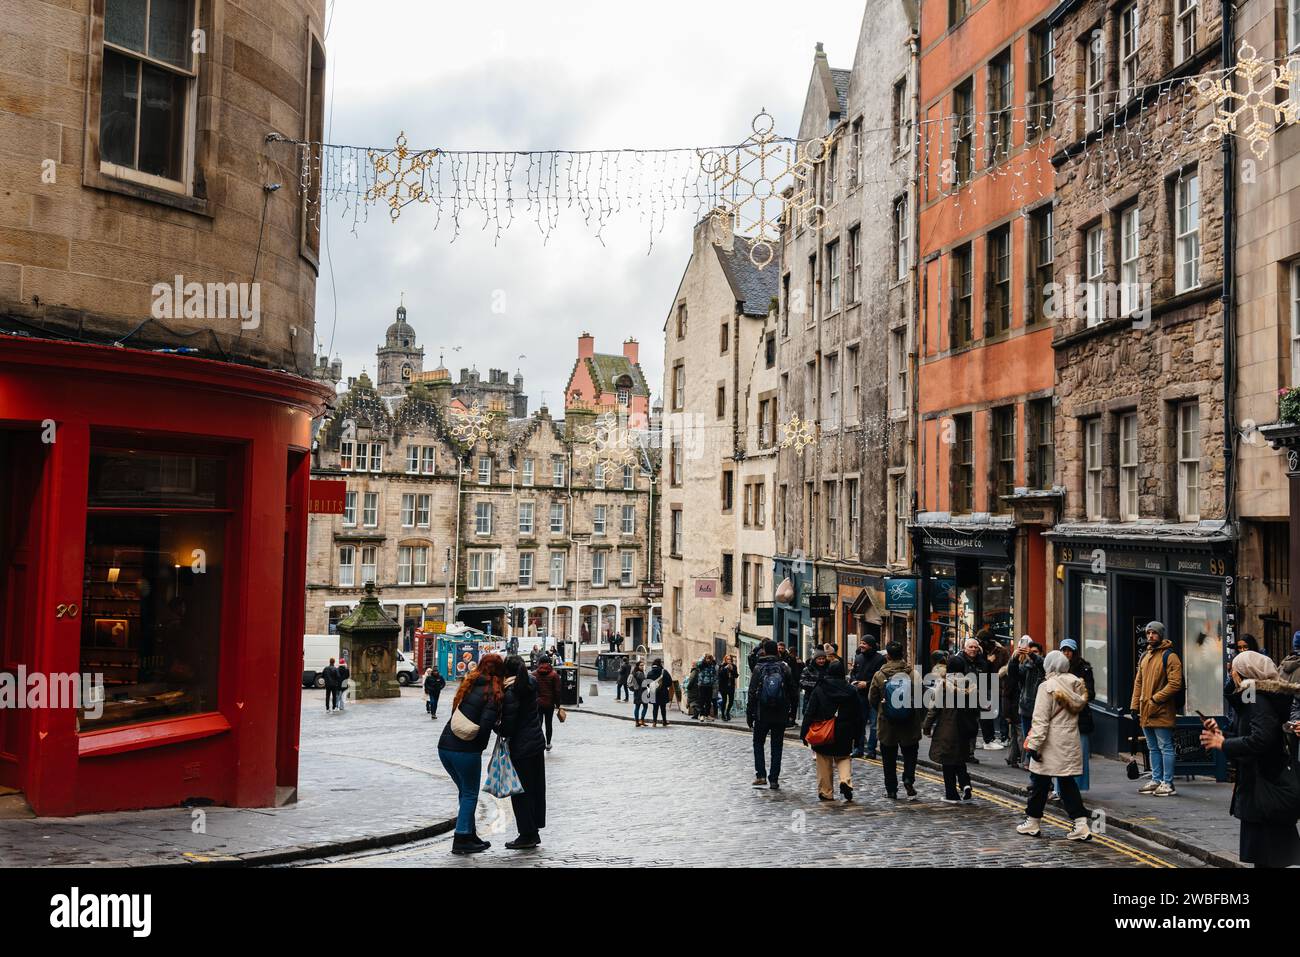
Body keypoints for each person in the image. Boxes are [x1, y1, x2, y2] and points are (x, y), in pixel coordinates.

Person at [1200, 650, 1300, 868]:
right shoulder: (1252, 695)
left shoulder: (1257, 698)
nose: (1231, 673)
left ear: (1244, 673)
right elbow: (1249, 736)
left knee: (1267, 861)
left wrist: (1224, 744)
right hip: (1260, 791)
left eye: (1234, 669)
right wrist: (1222, 736)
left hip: (1264, 791)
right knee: (1267, 861)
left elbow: (1262, 739)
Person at [1015, 650, 1094, 841]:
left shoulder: (1047, 686)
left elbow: (1041, 720)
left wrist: (1033, 746)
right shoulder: (1076, 684)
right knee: (1067, 783)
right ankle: (1081, 824)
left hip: (1050, 742)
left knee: (1039, 783)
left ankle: (1032, 822)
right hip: (1068, 740)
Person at [438, 653, 504, 855]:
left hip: (445, 747)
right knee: (469, 794)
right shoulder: (492, 692)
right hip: (465, 751)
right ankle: (461, 838)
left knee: (464, 792)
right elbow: (485, 727)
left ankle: (470, 834)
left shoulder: (468, 683)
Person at [1130, 621, 1183, 796]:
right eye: (1148, 633)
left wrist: (1155, 699)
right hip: (1146, 709)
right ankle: (1156, 779)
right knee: (1152, 747)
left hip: (1161, 708)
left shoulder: (1170, 656)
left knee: (1165, 746)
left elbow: (1175, 684)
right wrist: (1134, 706)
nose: (1150, 636)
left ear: (1161, 634)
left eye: (1154, 633)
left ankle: (1167, 783)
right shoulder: (1145, 656)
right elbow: (1139, 682)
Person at [499, 655, 547, 850]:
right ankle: (533, 830)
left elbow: (508, 727)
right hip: (536, 743)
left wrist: (496, 726)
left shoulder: (511, 692)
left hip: (521, 748)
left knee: (520, 792)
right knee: (535, 789)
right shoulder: (530, 684)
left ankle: (526, 834)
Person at [800, 659, 864, 802]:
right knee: (843, 758)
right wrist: (859, 736)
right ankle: (845, 781)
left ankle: (826, 792)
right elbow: (858, 715)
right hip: (845, 730)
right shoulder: (851, 690)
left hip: (823, 729)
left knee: (824, 761)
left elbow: (810, 711)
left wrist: (804, 732)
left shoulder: (820, 688)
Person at [868, 641, 923, 800]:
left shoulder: (879, 675)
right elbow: (921, 696)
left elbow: (872, 698)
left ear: (888, 656)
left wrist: (882, 709)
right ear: (903, 655)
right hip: (910, 722)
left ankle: (891, 790)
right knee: (910, 755)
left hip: (887, 724)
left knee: (889, 759)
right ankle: (908, 779)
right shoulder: (913, 674)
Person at [923, 654, 980, 804]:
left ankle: (952, 795)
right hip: (965, 728)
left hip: (947, 728)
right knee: (960, 759)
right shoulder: (970, 684)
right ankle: (966, 785)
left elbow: (934, 709)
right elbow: (977, 708)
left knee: (947, 762)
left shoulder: (943, 685)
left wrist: (926, 727)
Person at [747, 640, 798, 790]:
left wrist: (749, 714)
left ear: (763, 651)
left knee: (758, 743)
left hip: (761, 713)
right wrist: (792, 713)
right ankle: (774, 779)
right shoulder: (784, 667)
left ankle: (761, 775)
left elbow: (751, 693)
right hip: (780, 713)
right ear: (777, 651)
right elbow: (793, 691)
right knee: (777, 746)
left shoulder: (758, 668)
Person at [1060, 639, 1095, 791]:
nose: (1066, 653)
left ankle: (1078, 787)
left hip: (1081, 718)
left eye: (1069, 650)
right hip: (1062, 717)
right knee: (1061, 755)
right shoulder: (1058, 669)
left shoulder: (1084, 669)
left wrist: (1077, 695)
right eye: (1063, 650)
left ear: (1074, 652)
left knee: (1080, 755)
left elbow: (1091, 693)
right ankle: (1059, 788)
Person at [1010, 638, 1046, 771]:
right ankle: (1029, 762)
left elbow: (1041, 664)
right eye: (1031, 652)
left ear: (1041, 653)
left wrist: (1030, 654)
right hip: (1026, 708)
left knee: (1038, 738)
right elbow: (1013, 676)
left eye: (1036, 652)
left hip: (1041, 709)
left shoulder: (1044, 665)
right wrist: (1014, 658)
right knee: (1028, 738)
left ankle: (1033, 764)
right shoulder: (1025, 666)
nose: (1033, 654)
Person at [850, 635, 885, 759]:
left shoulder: (880, 659)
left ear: (870, 645)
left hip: (874, 696)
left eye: (864, 643)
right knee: (859, 722)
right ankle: (858, 749)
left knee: (874, 724)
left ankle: (871, 750)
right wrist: (854, 681)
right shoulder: (858, 658)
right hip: (860, 696)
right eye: (861, 643)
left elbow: (883, 678)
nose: (861, 645)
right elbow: (853, 673)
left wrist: (867, 684)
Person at [977, 629, 1010, 750]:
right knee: (986, 712)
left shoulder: (1002, 651)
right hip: (985, 685)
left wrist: (999, 675)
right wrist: (987, 661)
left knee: (1001, 712)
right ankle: (989, 738)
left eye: (981, 641)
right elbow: (980, 666)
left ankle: (1004, 737)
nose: (979, 644)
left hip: (999, 684)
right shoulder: (980, 652)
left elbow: (1007, 666)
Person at [533, 655, 563, 750]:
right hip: (549, 704)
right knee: (548, 724)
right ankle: (548, 743)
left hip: (537, 703)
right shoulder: (554, 675)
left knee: (538, 723)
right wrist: (558, 704)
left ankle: (539, 742)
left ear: (539, 662)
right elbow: (557, 691)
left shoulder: (534, 674)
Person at [800, 647, 829, 719]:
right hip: (810, 697)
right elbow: (802, 682)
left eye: (823, 659)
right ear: (815, 659)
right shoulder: (808, 669)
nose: (821, 661)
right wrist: (815, 685)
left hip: (825, 698)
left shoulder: (828, 668)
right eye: (819, 659)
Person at [647, 658, 672, 727]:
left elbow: (647, 683)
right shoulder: (664, 672)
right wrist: (664, 686)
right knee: (663, 708)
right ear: (660, 664)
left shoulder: (650, 672)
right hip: (663, 692)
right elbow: (670, 682)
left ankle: (654, 722)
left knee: (655, 708)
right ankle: (664, 721)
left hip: (653, 692)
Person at [694, 654, 718, 721]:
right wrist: (702, 660)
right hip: (702, 685)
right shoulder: (702, 665)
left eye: (709, 659)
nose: (708, 660)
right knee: (702, 701)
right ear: (705, 659)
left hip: (710, 685)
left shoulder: (712, 666)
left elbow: (715, 674)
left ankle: (707, 715)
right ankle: (701, 715)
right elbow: (697, 665)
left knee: (708, 701)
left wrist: (714, 682)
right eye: (707, 658)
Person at [627, 660, 649, 726]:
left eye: (643, 665)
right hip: (642, 691)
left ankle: (637, 722)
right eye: (641, 665)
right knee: (645, 706)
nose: (642, 666)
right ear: (638, 666)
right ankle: (642, 720)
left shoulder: (634, 672)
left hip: (636, 692)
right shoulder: (640, 673)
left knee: (637, 707)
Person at [718, 654, 739, 721]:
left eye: (730, 659)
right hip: (723, 686)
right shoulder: (722, 666)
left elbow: (736, 675)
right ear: (725, 659)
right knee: (724, 701)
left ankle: (727, 712)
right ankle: (723, 715)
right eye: (727, 659)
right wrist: (725, 668)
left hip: (731, 686)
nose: (729, 660)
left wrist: (732, 670)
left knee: (731, 701)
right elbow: (720, 674)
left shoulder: (734, 666)